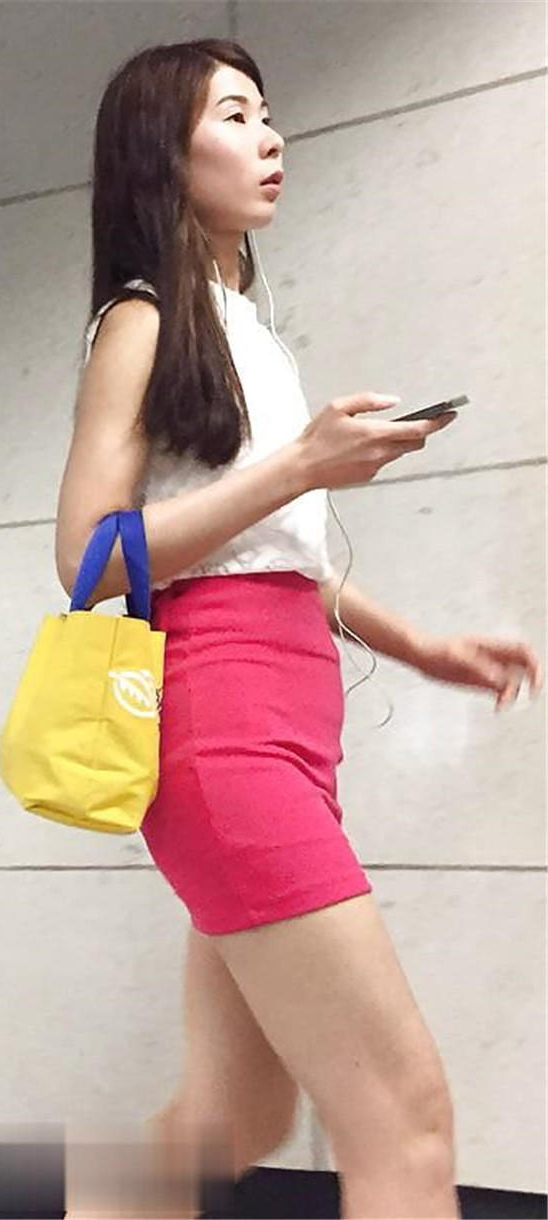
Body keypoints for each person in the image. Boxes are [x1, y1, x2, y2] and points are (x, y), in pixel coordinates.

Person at [57, 38, 543, 1220]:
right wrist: (301, 466)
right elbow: (86, 556)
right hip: (222, 739)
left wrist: (421, 644)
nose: (271, 136)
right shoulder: (140, 322)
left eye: (267, 112)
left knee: (234, 1118)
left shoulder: (242, 329)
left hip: (281, 734)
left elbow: (271, 558)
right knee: (405, 1120)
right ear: (163, 155)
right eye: (234, 116)